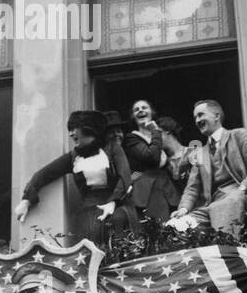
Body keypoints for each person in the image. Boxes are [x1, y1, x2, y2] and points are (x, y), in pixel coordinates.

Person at [14, 109, 136, 247]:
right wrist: (26, 200)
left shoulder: (112, 148)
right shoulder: (73, 157)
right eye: (70, 130)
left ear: (87, 128)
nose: (71, 133)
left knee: (120, 233)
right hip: (90, 211)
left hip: (118, 205)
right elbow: (43, 174)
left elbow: (125, 176)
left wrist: (113, 202)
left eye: (74, 129)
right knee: (92, 247)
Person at [169, 99, 247, 238]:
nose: (197, 120)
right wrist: (184, 209)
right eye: (195, 117)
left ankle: (230, 251)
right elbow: (192, 188)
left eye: (201, 115)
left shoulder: (238, 135)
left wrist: (242, 189)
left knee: (224, 220)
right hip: (211, 205)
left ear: (216, 116)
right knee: (175, 226)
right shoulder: (199, 153)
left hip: (236, 196)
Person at [121, 100, 180, 227]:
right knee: (156, 231)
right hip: (148, 191)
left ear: (152, 112)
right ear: (133, 116)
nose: (140, 110)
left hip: (168, 189)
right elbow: (152, 157)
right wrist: (155, 132)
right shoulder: (132, 139)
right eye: (136, 109)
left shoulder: (159, 137)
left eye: (144, 108)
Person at [158, 115, 202, 193]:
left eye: (156, 133)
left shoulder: (195, 152)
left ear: (166, 130)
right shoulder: (164, 164)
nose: (154, 139)